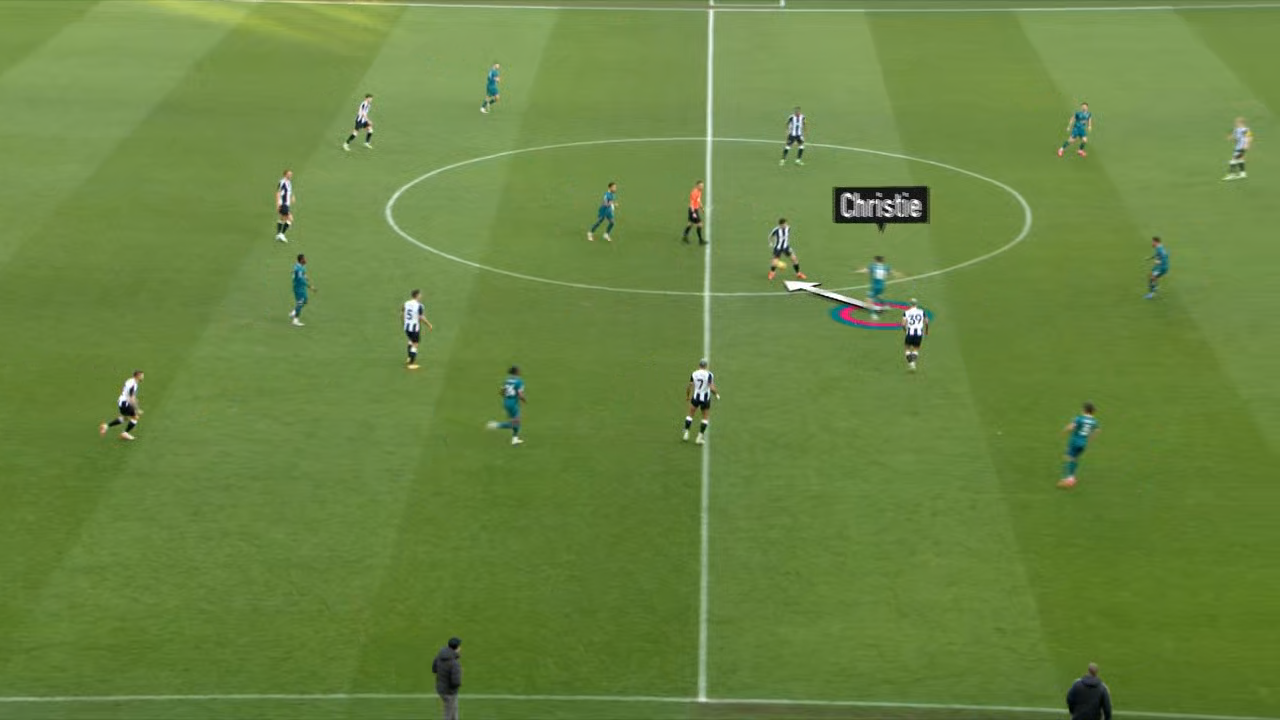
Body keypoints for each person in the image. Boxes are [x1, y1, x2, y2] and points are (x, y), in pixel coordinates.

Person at [1058, 402, 1100, 489]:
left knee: (1069, 457)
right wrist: (1090, 439)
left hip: (1075, 441)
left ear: (1084, 410)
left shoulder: (1079, 418)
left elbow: (1072, 427)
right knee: (1075, 458)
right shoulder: (1094, 421)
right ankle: (1072, 477)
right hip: (1083, 443)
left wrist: (1064, 431)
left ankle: (1069, 479)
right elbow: (1097, 430)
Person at [99, 370, 144, 441]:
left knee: (125, 418)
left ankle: (105, 426)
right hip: (125, 403)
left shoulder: (130, 380)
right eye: (141, 376)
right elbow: (131, 398)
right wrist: (137, 409)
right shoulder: (133, 385)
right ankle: (125, 433)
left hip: (121, 401)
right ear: (137, 376)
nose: (142, 377)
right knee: (135, 417)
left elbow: (129, 394)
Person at [683, 359, 719, 446]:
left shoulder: (694, 373)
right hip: (705, 399)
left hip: (696, 398)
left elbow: (689, 386)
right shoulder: (709, 374)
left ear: (699, 365)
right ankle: (699, 437)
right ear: (706, 366)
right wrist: (716, 394)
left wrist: (687, 396)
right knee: (705, 418)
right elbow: (711, 387)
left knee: (690, 415)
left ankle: (686, 433)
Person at [486, 366, 526, 446]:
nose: (520, 371)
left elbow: (501, 392)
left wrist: (508, 397)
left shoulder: (507, 381)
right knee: (516, 423)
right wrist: (524, 400)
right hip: (513, 403)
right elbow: (520, 394)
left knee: (515, 421)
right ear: (516, 372)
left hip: (506, 402)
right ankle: (495, 425)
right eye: (519, 370)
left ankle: (515, 439)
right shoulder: (519, 381)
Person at [431, 637, 463, 720]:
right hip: (450, 692)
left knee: (453, 712)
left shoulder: (439, 656)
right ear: (456, 648)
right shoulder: (454, 663)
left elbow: (434, 669)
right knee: (448, 714)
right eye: (459, 646)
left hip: (441, 689)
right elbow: (456, 682)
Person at [403, 289, 433, 369]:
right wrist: (429, 325)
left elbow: (403, 313)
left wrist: (404, 322)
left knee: (410, 341)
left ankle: (409, 357)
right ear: (417, 295)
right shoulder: (419, 306)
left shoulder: (406, 303)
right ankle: (411, 363)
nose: (421, 296)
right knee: (415, 344)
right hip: (414, 328)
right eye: (420, 294)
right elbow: (421, 317)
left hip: (407, 327)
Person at [902, 299, 928, 371]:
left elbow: (903, 324)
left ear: (910, 304)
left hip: (910, 332)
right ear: (916, 304)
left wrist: (905, 331)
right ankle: (913, 363)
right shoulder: (922, 312)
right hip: (919, 333)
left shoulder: (906, 312)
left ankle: (911, 363)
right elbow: (926, 322)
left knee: (907, 348)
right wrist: (926, 331)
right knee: (916, 349)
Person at [1224, 116, 1253, 180]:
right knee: (1240, 159)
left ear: (1241, 123)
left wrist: (1247, 145)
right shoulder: (1236, 130)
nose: (1235, 123)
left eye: (1237, 122)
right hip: (1237, 147)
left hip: (1242, 147)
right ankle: (1243, 174)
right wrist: (1230, 138)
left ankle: (1232, 175)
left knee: (1233, 160)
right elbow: (1236, 139)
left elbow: (1250, 137)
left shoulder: (1245, 129)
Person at [289, 254, 313, 327]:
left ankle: (294, 312)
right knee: (300, 303)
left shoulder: (300, 266)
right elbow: (300, 280)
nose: (306, 260)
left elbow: (302, 273)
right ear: (301, 260)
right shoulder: (299, 268)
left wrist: (305, 276)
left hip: (301, 288)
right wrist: (309, 286)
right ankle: (295, 320)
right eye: (304, 259)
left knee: (305, 301)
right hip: (298, 288)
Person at [682, 180, 705, 245]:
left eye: (702, 186)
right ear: (697, 186)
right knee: (700, 224)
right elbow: (692, 203)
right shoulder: (694, 193)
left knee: (690, 224)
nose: (702, 187)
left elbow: (698, 200)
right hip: (693, 210)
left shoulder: (699, 191)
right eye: (700, 186)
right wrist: (693, 213)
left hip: (694, 210)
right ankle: (700, 240)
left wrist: (701, 207)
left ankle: (684, 236)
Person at [275, 170, 294, 243]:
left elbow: (288, 191)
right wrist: (278, 204)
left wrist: (292, 196)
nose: (290, 175)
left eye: (291, 174)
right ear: (285, 175)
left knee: (282, 218)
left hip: (286, 204)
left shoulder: (289, 182)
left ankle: (278, 235)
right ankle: (282, 234)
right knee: (290, 219)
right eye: (289, 174)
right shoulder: (282, 182)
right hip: (283, 203)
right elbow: (278, 193)